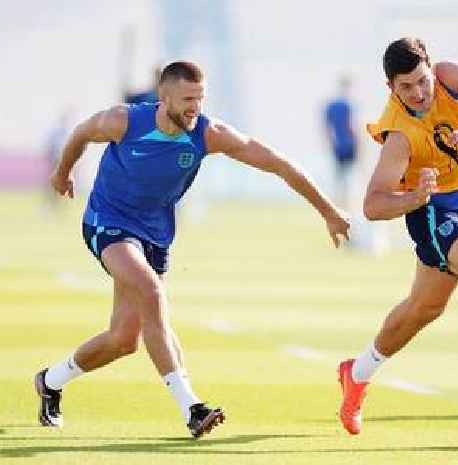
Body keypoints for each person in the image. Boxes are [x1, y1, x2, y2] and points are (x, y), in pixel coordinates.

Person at [35, 61, 350, 439]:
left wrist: (329, 211)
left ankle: (50, 381)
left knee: (123, 340)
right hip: (108, 222)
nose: (194, 108)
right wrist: (62, 171)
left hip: (155, 234)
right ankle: (191, 407)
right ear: (163, 96)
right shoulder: (124, 121)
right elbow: (82, 133)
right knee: (151, 291)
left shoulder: (207, 134)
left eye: (200, 99)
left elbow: (278, 164)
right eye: (187, 99)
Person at [336, 37, 458, 435]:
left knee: (423, 309)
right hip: (434, 212)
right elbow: (373, 205)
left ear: (431, 70)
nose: (418, 93)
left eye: (421, 81)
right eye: (405, 87)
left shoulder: (449, 78)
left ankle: (356, 373)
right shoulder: (400, 135)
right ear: (391, 89)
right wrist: (415, 196)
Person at [323, 75, 358, 210]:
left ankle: (338, 204)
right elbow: (351, 126)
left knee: (339, 177)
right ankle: (348, 205)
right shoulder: (348, 105)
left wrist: (330, 143)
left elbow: (327, 128)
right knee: (350, 177)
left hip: (337, 146)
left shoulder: (331, 106)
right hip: (349, 145)